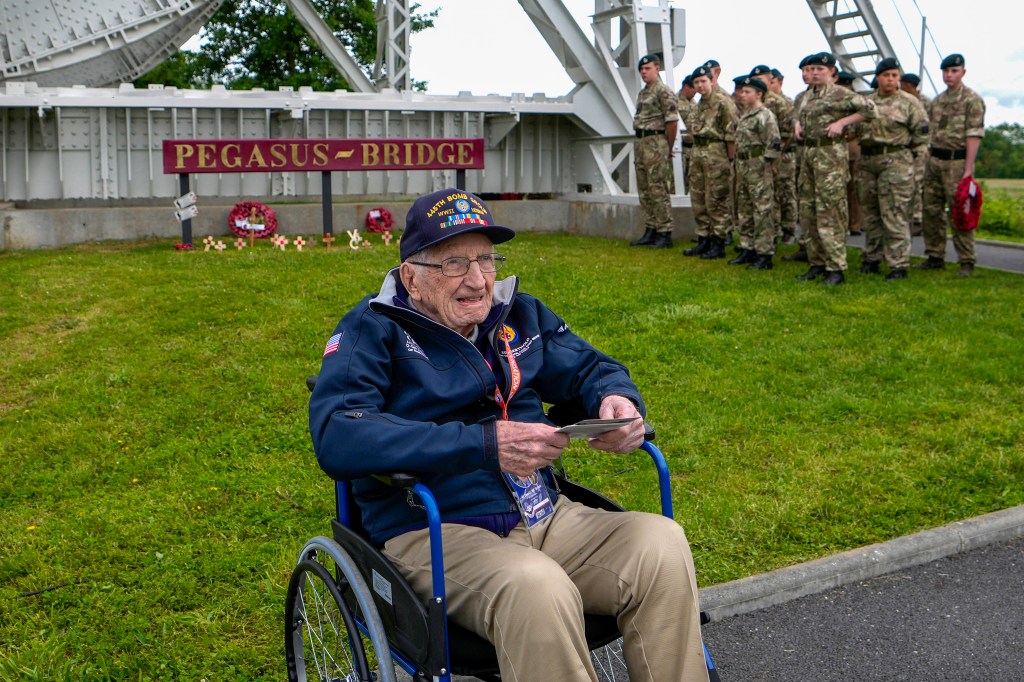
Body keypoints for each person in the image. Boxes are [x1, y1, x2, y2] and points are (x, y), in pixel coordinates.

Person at [309, 188, 710, 682]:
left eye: (486, 259)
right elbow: (339, 433)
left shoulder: (519, 315)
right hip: (435, 529)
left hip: (544, 513)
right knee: (537, 586)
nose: (477, 280)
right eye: (454, 263)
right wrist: (483, 444)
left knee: (660, 544)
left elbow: (590, 369)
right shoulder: (372, 331)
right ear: (411, 277)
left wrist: (617, 401)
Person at [794, 52, 876, 285]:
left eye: (819, 69)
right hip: (809, 154)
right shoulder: (807, 96)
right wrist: (798, 124)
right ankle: (816, 263)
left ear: (831, 72)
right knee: (809, 211)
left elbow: (870, 110)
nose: (813, 73)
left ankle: (836, 267)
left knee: (830, 212)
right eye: (811, 69)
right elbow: (797, 115)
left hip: (830, 156)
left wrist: (842, 122)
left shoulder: (841, 93)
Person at [853, 57, 930, 280]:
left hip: (895, 160)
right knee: (871, 213)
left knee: (894, 213)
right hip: (868, 161)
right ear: (878, 78)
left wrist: (912, 158)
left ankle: (898, 264)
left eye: (894, 76)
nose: (890, 79)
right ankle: (872, 259)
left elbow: (922, 132)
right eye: (886, 75)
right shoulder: (867, 102)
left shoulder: (908, 102)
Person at [919, 53, 986, 277]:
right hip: (935, 161)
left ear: (962, 73)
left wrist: (968, 168)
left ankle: (966, 260)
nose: (949, 75)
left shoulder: (971, 100)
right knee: (931, 211)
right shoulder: (937, 101)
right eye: (946, 71)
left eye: (954, 71)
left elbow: (974, 135)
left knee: (959, 212)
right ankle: (935, 256)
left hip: (957, 162)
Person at [684, 65, 738, 260]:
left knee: (716, 199)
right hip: (698, 152)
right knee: (698, 198)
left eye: (703, 82)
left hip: (716, 153)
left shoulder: (723, 102)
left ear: (711, 81)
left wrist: (731, 160)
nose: (699, 86)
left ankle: (719, 241)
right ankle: (703, 238)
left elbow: (731, 134)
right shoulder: (699, 104)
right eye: (696, 83)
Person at [629, 54, 680, 249]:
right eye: (642, 69)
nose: (644, 72)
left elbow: (672, 121)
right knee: (645, 188)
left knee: (658, 188)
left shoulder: (663, 91)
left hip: (656, 142)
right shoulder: (643, 93)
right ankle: (650, 228)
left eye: (647, 68)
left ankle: (664, 232)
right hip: (642, 141)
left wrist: (667, 145)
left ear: (657, 69)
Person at [730, 76, 781, 270]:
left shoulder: (764, 115)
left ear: (759, 94)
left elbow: (774, 141)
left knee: (762, 210)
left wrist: (769, 164)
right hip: (743, 166)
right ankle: (747, 247)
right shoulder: (745, 114)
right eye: (742, 91)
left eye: (747, 92)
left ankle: (764, 253)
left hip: (758, 165)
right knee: (745, 208)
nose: (743, 95)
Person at [751, 65, 796, 246]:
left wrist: (777, 156)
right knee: (770, 196)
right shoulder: (754, 103)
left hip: (783, 155)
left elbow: (787, 131)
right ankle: (774, 231)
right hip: (763, 157)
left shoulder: (779, 103)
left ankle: (789, 229)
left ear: (770, 81)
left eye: (761, 81)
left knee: (785, 193)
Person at [900, 73, 932, 235]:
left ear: (910, 86)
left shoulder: (925, 103)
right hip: (905, 149)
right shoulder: (902, 101)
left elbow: (929, 127)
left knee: (918, 184)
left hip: (921, 149)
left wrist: (927, 147)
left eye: (903, 84)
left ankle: (918, 219)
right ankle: (908, 217)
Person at [835, 71, 864, 237]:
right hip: (844, 149)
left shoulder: (853, 101)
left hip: (851, 148)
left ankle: (854, 224)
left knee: (851, 189)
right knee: (847, 190)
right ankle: (851, 224)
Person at [678, 75, 698, 194]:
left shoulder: (695, 104)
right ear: (686, 87)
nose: (696, 93)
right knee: (677, 180)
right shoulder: (675, 101)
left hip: (693, 148)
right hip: (680, 147)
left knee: (691, 181)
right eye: (694, 89)